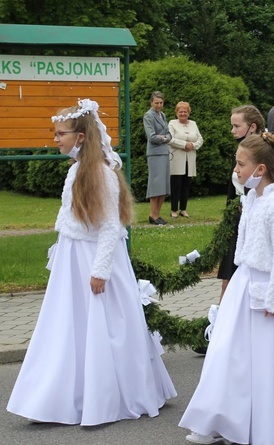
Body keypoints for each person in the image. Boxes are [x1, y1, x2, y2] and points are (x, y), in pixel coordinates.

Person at [7, 99, 176, 425]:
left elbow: (111, 227)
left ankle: (106, 393)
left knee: (102, 324)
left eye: (61, 133)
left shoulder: (101, 174)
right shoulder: (76, 171)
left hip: (94, 260)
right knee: (70, 325)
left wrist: (100, 271)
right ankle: (61, 394)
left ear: (81, 136)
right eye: (55, 133)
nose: (55, 138)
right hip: (73, 257)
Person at [180, 133, 274, 445]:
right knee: (228, 356)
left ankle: (262, 420)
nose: (235, 169)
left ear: (261, 169)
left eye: (240, 164)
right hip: (244, 284)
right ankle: (220, 418)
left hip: (270, 291)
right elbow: (247, 211)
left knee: (265, 361)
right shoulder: (254, 197)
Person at [216, 105, 265, 301]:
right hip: (238, 218)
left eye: (237, 126)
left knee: (235, 278)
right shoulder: (243, 149)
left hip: (251, 221)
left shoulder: (260, 153)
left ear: (252, 127)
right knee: (229, 277)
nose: (233, 131)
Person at [168, 101, 203, 219]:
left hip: (190, 158)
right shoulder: (172, 123)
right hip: (177, 158)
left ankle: (183, 209)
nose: (183, 114)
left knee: (186, 185)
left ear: (188, 112)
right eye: (180, 111)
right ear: (176, 113)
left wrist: (193, 146)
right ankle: (173, 209)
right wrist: (184, 145)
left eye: (185, 111)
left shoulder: (193, 124)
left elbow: (200, 139)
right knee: (176, 184)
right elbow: (170, 139)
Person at [143, 91, 172, 225]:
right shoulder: (148, 116)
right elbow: (152, 137)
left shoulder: (163, 116)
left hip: (164, 153)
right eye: (156, 103)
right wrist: (163, 138)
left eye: (161, 103)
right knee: (156, 184)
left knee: (164, 185)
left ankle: (158, 214)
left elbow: (168, 134)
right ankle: (152, 214)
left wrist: (164, 138)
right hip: (155, 154)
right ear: (151, 102)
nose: (159, 105)